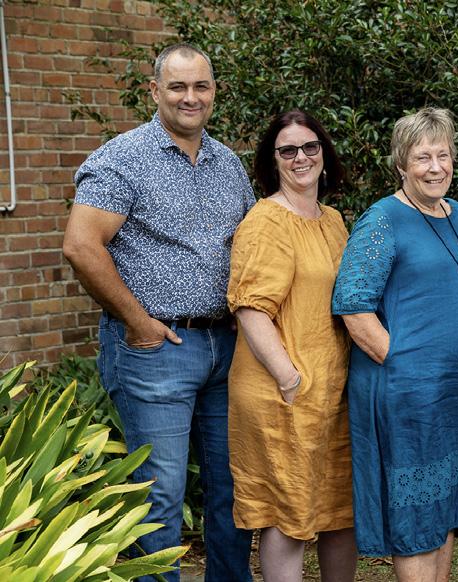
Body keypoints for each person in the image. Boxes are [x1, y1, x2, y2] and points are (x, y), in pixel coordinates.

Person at [62, 43, 253, 581]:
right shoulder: (123, 158)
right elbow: (81, 245)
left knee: (232, 488)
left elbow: (247, 243)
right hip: (156, 349)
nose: (191, 97)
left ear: (214, 92)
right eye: (178, 86)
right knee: (160, 495)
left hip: (227, 348)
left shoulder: (227, 163)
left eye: (201, 86)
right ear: (154, 91)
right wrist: (138, 320)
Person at [331, 107, 458, 582]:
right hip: (411, 392)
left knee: (445, 502)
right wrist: (400, 362)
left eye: (443, 155)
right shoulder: (382, 219)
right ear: (401, 164)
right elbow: (353, 306)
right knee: (415, 511)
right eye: (422, 157)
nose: (435, 167)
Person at [226, 110, 356, 582]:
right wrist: (290, 378)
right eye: (288, 150)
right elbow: (251, 309)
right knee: (289, 514)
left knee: (340, 511)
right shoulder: (266, 221)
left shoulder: (333, 220)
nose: (301, 157)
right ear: (273, 160)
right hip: (283, 393)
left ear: (324, 153)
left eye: (310, 147)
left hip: (334, 392)